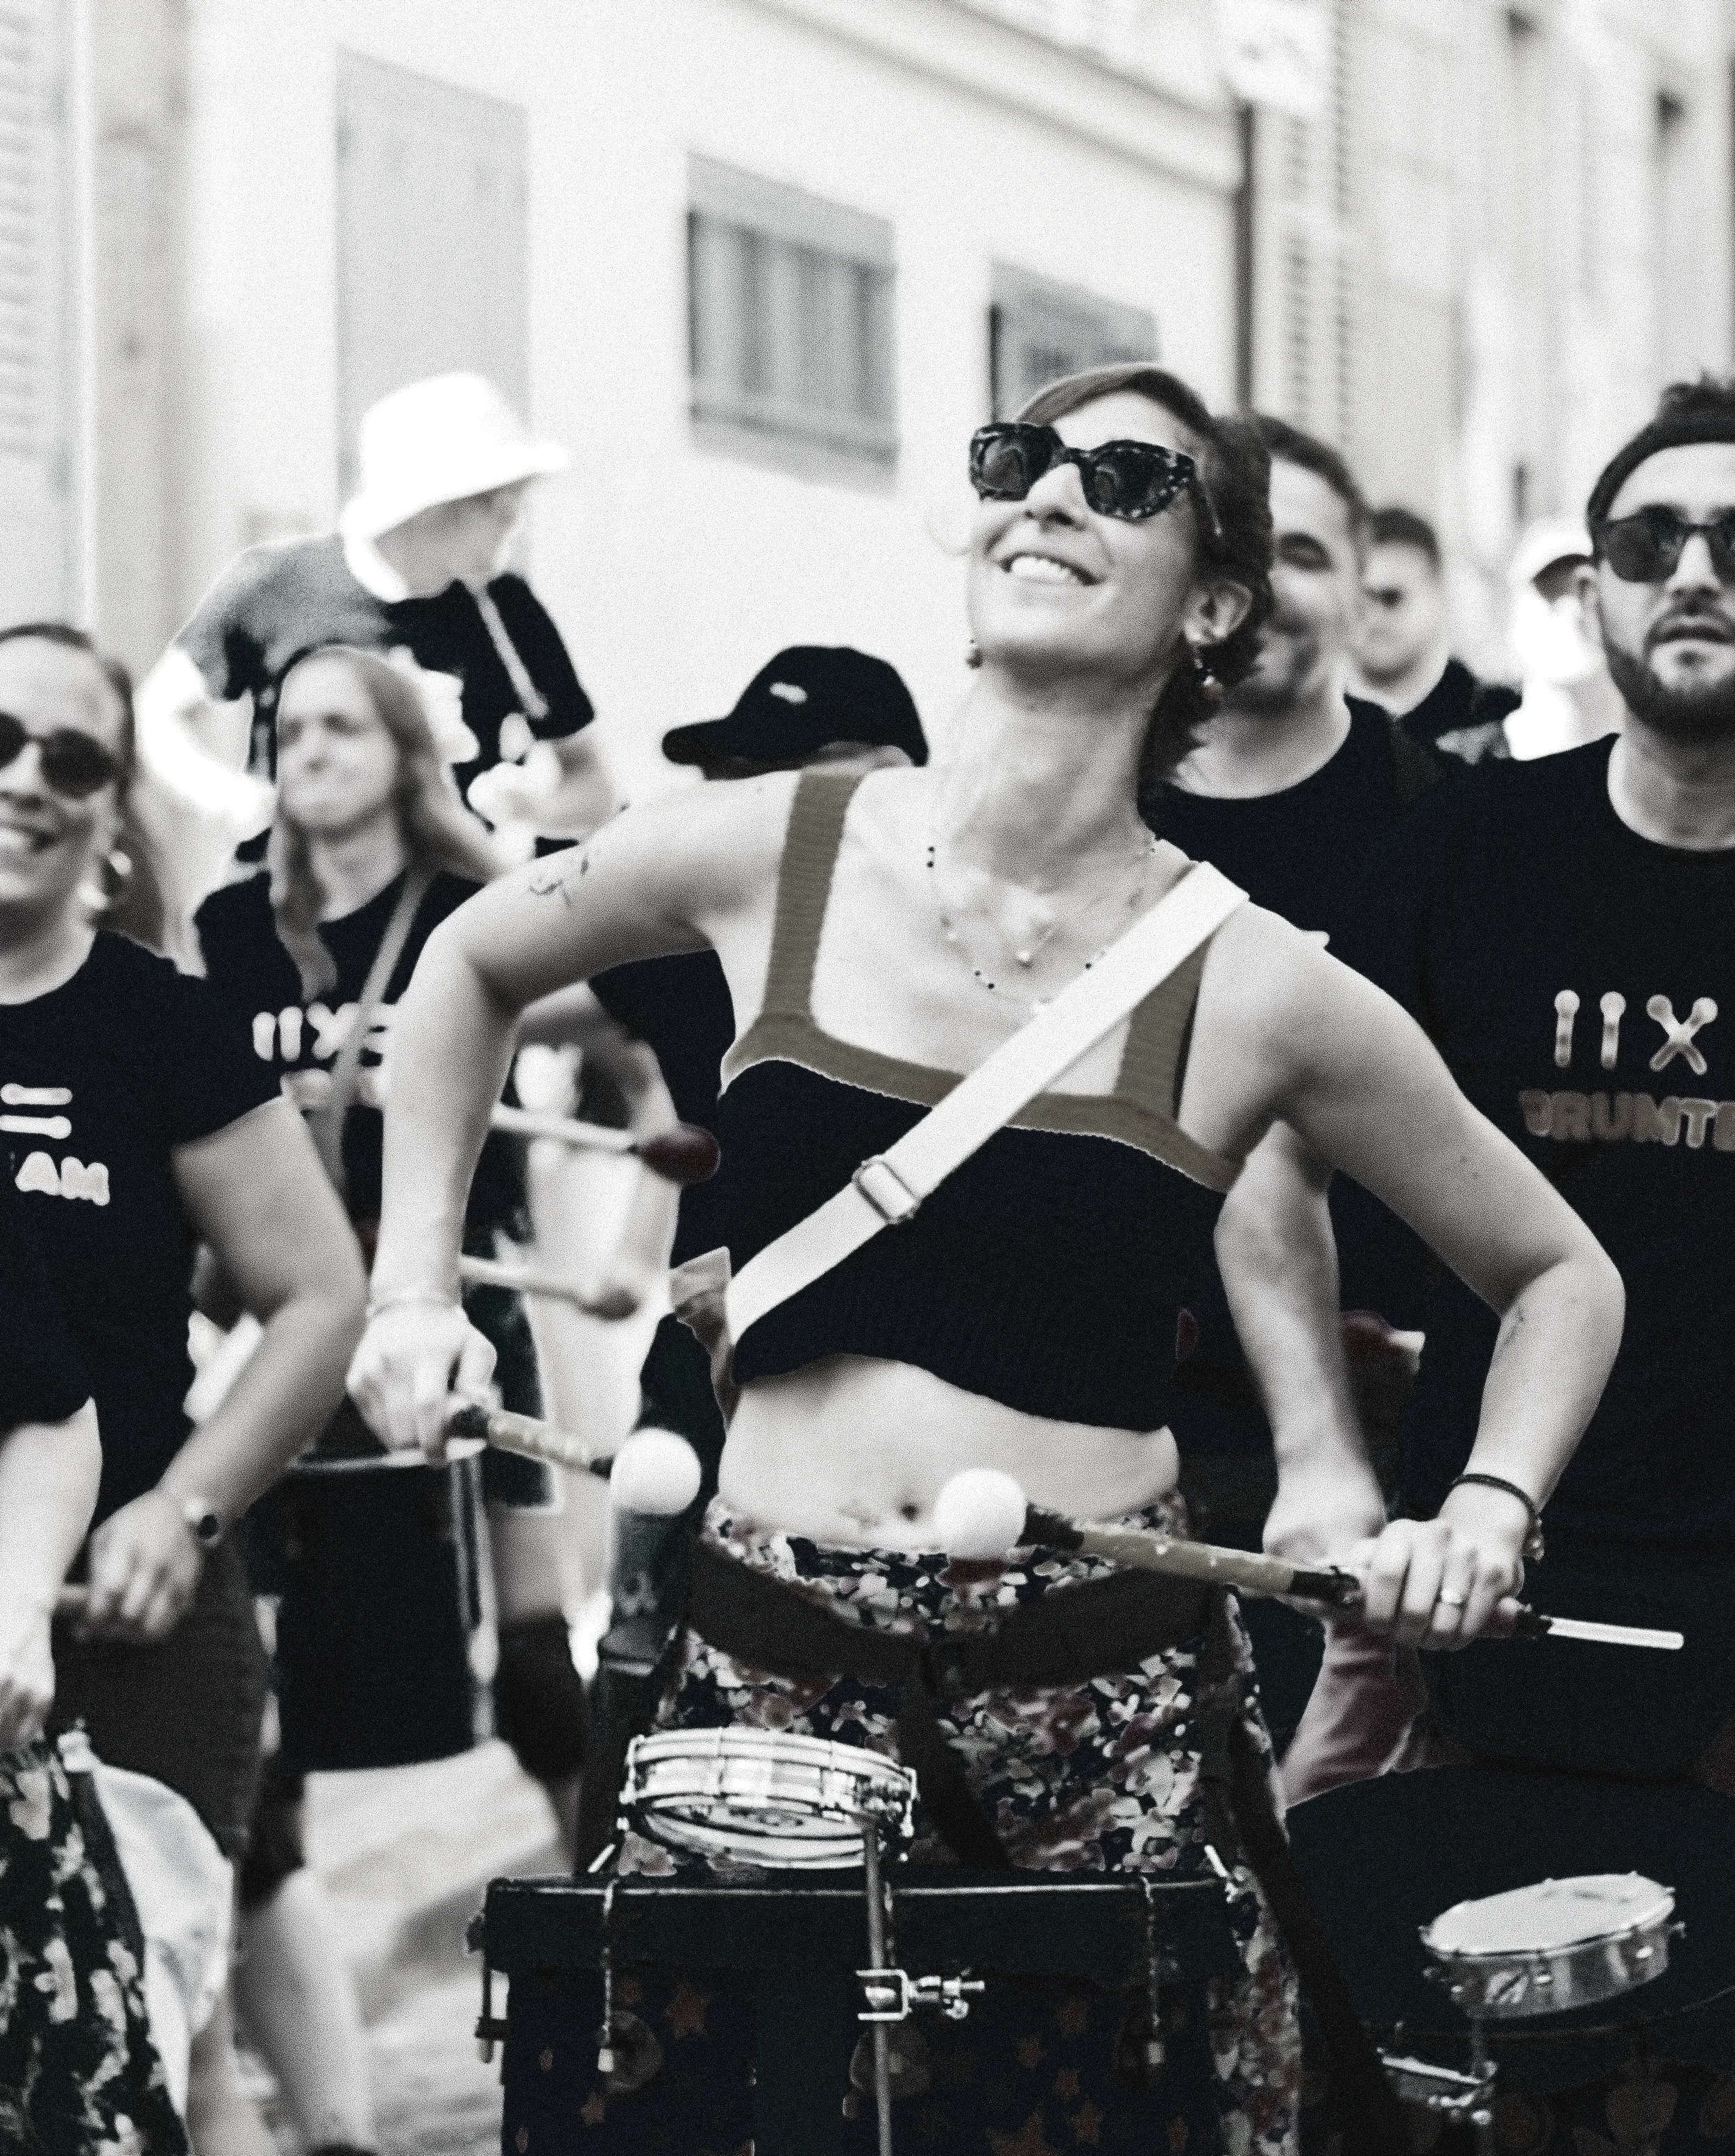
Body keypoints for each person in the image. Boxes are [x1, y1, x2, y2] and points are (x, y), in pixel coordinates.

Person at [346, 362, 1621, 2156]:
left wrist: (1484, 1502)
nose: (1045, 499)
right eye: (1018, 461)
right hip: (760, 1668)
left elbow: (1559, 1272)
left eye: (1118, 478)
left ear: (1218, 601)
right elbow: (466, 967)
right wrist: (411, 1291)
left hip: (1100, 1701)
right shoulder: (771, 847)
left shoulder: (1254, 977)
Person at [1269, 372, 1735, 2156]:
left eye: (1733, 540)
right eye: (1647, 539)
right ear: (1591, 591)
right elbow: (1265, 1140)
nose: (1693, 569)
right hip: (1469, 1580)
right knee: (1349, 2043)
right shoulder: (1466, 843)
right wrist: (1321, 1446)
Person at [193, 643, 642, 2156]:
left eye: (339, 724)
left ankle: (625, 1980)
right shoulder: (223, 922)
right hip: (262, 1339)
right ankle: (295, 2108)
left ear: (401, 750)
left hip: (462, 1322)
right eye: (288, 727)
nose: (306, 749)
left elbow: (640, 1020)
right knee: (252, 1737)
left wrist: (631, 1217)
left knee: (534, 1680)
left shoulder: (476, 911)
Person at [0, 620, 367, 2155]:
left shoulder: (156, 1023)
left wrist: (182, 1505)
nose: (24, 778)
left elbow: (318, 1295)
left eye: (69, 756)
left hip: (127, 1613)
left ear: (109, 799)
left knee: (141, 2034)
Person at [581, 646, 927, 1816]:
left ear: (881, 777)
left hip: (905, 1414)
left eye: (765, 773)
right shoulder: (699, 941)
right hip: (700, 1372)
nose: (738, 802)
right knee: (637, 1701)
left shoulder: (951, 955)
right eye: (729, 774)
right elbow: (487, 963)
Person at [1140, 418, 1443, 1677]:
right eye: (1234, 552)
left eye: (1302, 553)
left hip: (1375, 1470)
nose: (1264, 589)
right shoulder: (1090, 820)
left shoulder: (1456, 829)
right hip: (1103, 1436)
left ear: (1363, 588)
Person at [135, 371, 614, 944]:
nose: (515, 522)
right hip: (288, 910)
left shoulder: (508, 612)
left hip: (445, 923)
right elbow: (152, 714)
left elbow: (593, 784)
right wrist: (233, 802)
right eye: (500, 502)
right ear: (436, 506)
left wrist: (531, 805)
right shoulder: (278, 586)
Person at [1350, 504, 1482, 744]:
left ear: (1438, 594)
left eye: (1391, 597)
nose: (1373, 617)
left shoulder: (1492, 720)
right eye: (1360, 599)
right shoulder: (1304, 722)